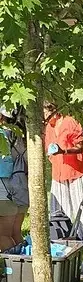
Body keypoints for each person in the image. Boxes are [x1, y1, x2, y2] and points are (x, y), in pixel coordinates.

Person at [44, 103, 83, 240]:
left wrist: (63, 151)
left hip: (75, 171)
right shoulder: (48, 127)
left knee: (81, 206)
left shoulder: (69, 121)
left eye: (44, 113)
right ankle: (61, 236)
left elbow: (79, 146)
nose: (43, 117)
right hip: (58, 172)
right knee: (59, 208)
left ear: (52, 110)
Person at [0, 106, 28, 247]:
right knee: (15, 232)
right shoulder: (23, 134)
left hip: (4, 191)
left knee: (2, 236)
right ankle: (25, 264)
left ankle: (14, 268)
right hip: (22, 188)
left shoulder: (3, 134)